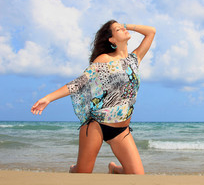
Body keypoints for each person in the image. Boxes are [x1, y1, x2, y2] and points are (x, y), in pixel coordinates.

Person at [31, 20, 156, 174]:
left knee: (138, 176)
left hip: (121, 129)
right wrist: (48, 98)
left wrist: (126, 25)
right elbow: (80, 82)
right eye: (118, 29)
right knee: (83, 174)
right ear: (111, 39)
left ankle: (115, 169)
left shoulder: (134, 59)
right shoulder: (104, 59)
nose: (123, 30)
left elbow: (151, 32)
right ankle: (74, 169)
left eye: (122, 28)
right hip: (97, 124)